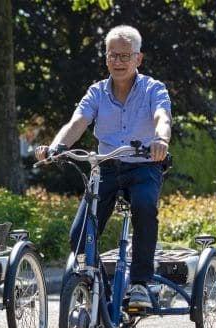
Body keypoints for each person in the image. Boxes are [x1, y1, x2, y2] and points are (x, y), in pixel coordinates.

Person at [35, 25, 171, 308]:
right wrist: (56, 147)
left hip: (144, 166)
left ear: (138, 58)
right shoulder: (96, 92)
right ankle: (103, 292)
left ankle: (140, 283)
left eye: (125, 56)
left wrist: (160, 140)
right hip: (106, 168)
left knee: (145, 206)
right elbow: (77, 122)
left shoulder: (153, 89)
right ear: (106, 58)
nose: (118, 61)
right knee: (79, 236)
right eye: (112, 55)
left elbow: (162, 117)